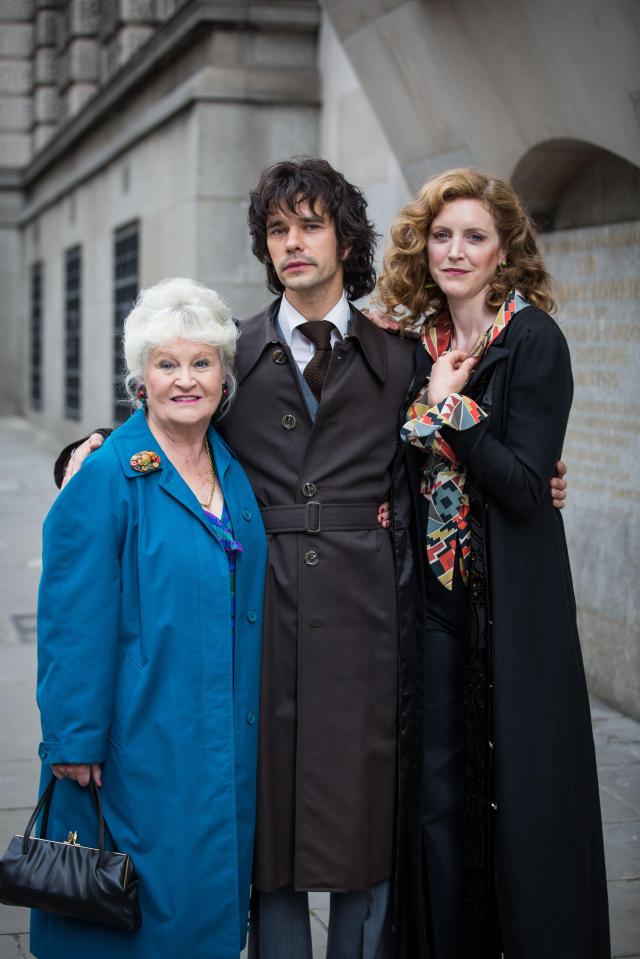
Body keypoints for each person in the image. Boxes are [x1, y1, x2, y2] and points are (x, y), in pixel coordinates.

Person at [54, 158, 568, 958]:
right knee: (271, 843)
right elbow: (163, 410)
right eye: (277, 230)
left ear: (345, 239)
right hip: (261, 619)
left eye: (310, 226)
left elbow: (442, 464)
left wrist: (542, 474)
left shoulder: (398, 355)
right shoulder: (232, 351)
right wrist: (79, 453)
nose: (293, 243)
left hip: (371, 624)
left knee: (366, 837)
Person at [375, 168, 610, 958]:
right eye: (442, 235)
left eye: (474, 236)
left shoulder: (534, 339)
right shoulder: (417, 347)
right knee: (437, 792)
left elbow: (521, 488)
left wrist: (451, 409)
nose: (455, 250)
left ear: (504, 249)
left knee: (526, 793)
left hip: (511, 604)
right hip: (433, 603)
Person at [33, 278, 267, 959]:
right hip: (139, 736)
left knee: (203, 896)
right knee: (140, 913)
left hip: (220, 729)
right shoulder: (108, 473)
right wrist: (73, 736)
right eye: (168, 364)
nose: (185, 381)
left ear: (224, 375)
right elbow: (71, 613)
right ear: (142, 377)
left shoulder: (231, 467)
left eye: (201, 363)